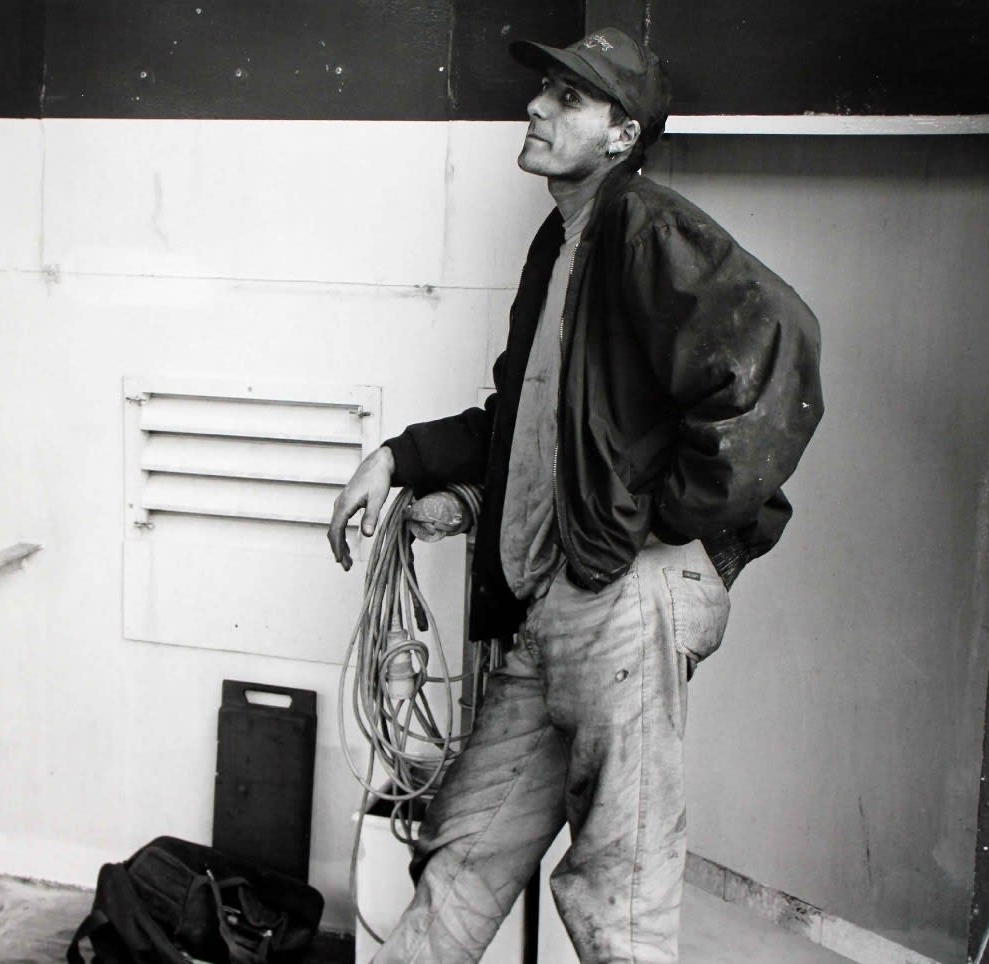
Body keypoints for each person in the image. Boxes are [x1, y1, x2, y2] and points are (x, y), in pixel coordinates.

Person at [326, 24, 823, 964]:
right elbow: (523, 422)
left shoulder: (644, 227)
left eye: (567, 99)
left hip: (623, 600)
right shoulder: (561, 248)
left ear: (623, 135)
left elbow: (777, 360)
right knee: (465, 852)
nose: (537, 108)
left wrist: (656, 525)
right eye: (544, 91)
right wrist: (398, 458)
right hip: (555, 605)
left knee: (617, 889)